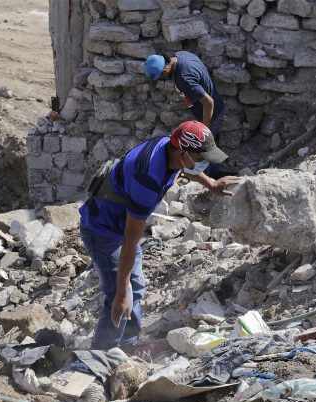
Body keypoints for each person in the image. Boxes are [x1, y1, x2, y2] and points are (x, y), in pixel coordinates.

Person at [79, 121, 239, 353]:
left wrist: (211, 183)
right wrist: (121, 291)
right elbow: (130, 241)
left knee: (135, 287)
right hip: (104, 230)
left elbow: (186, 168)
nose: (206, 163)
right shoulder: (148, 179)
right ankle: (101, 356)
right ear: (183, 153)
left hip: (119, 225)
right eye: (201, 156)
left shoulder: (170, 146)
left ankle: (128, 346)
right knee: (120, 296)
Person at [144, 52, 225, 137]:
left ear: (165, 71)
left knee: (204, 147)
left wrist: (203, 130)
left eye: (160, 78)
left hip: (211, 116)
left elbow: (209, 102)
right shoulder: (180, 55)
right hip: (204, 111)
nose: (162, 80)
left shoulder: (183, 79)